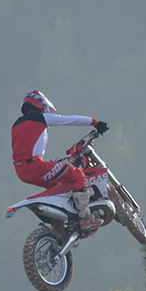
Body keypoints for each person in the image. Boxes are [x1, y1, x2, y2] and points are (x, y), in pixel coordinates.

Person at [11, 90, 109, 231]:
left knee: (61, 187)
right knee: (77, 175)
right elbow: (70, 119)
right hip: (35, 165)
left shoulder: (16, 125)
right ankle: (85, 218)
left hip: (21, 171)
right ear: (40, 104)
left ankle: (58, 225)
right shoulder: (41, 118)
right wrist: (95, 122)